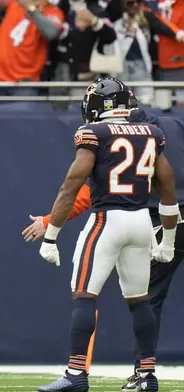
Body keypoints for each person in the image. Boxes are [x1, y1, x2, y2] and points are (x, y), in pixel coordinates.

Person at [23, 98, 184, 391]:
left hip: (107, 221)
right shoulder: (155, 133)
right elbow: (168, 186)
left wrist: (51, 233)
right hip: (142, 223)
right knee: (141, 300)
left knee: (84, 295)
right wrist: (169, 242)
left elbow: (72, 185)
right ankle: (146, 375)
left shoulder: (96, 132)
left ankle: (75, 374)